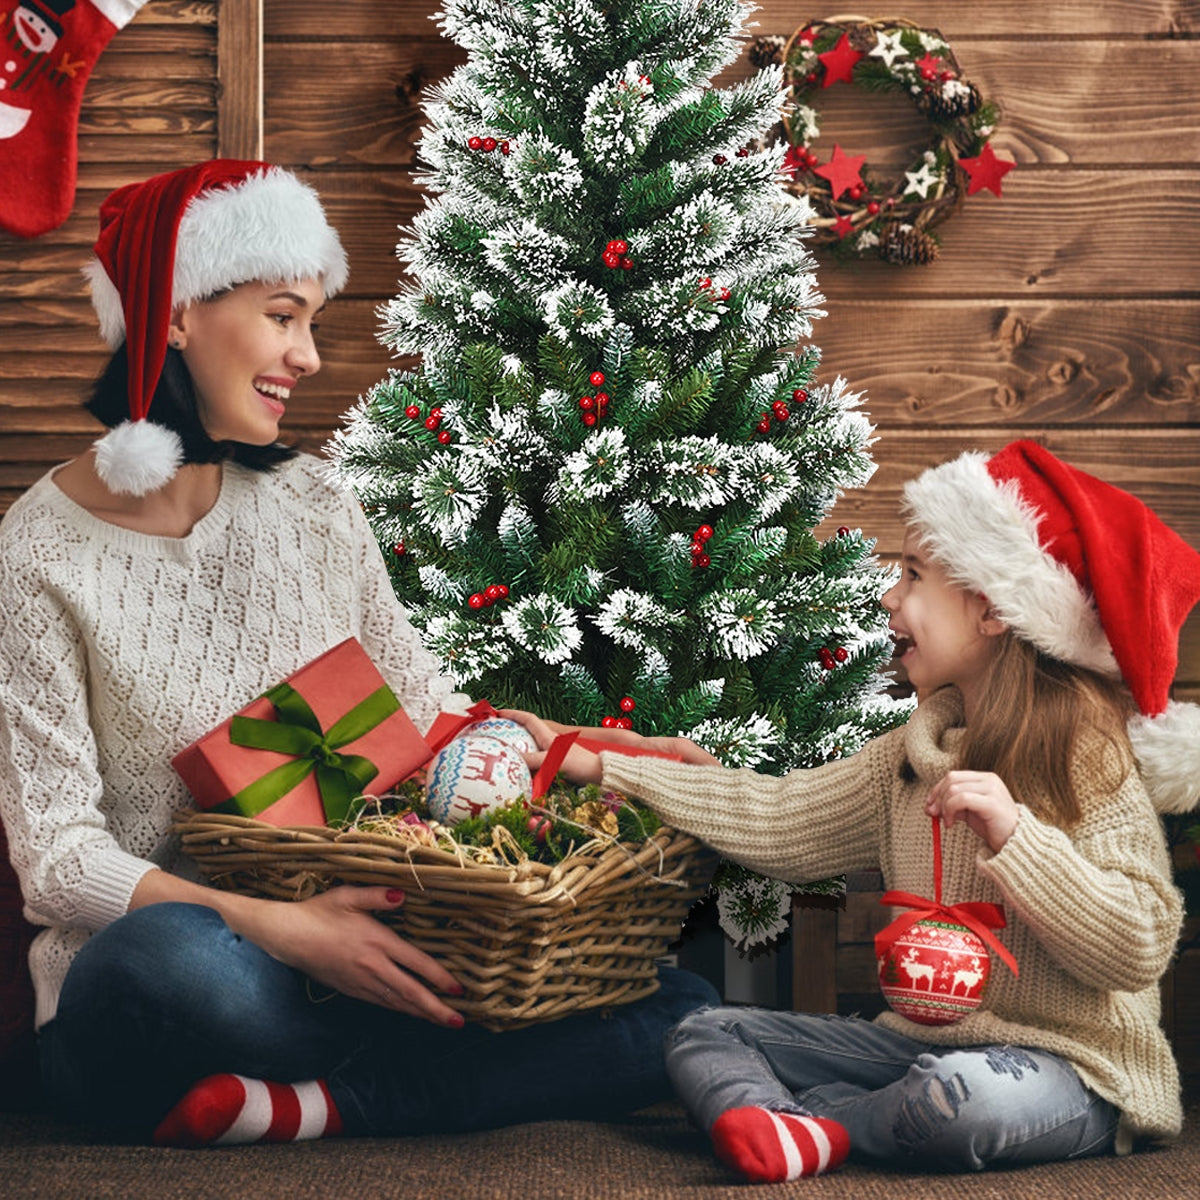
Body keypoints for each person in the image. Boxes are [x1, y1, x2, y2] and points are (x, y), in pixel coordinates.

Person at [0, 159, 717, 1147]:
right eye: (284, 316)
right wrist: (283, 930)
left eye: (312, 325)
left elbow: (422, 720)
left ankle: (314, 1106)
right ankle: (427, 1076)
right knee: (165, 959)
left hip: (353, 959)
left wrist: (593, 757)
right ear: (172, 315)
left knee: (684, 1001)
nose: (308, 357)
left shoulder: (314, 503)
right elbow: (58, 861)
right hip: (200, 981)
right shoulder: (38, 552)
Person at [509, 440, 1200, 1182]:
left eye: (912, 575)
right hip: (923, 1047)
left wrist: (1016, 837)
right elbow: (776, 818)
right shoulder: (904, 756)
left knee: (965, 1101)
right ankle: (812, 1126)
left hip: (1070, 1068)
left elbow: (1139, 946)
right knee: (704, 1031)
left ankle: (815, 1124)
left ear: (993, 606)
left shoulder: (1086, 759)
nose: (887, 598)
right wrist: (606, 764)